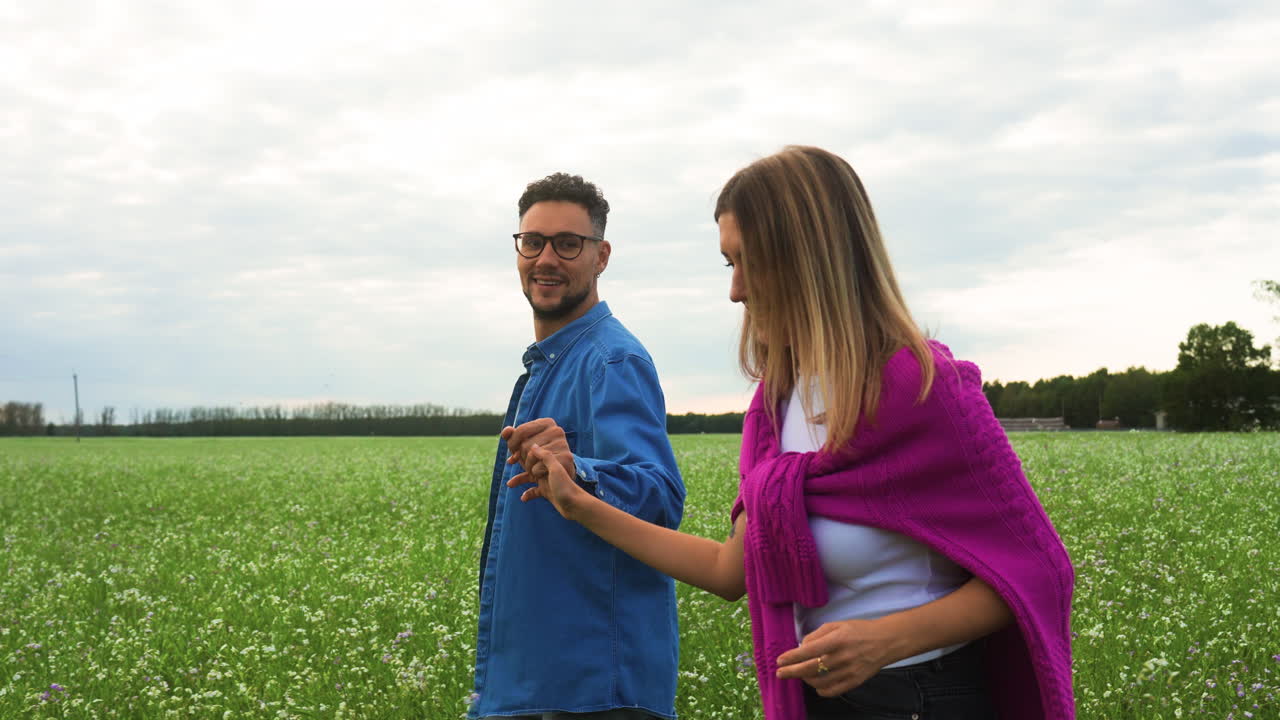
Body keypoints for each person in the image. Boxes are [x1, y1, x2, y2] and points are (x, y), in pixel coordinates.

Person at [509, 147, 1076, 719]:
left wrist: (890, 638)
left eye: (748, 261)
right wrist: (578, 502)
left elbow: (1038, 571)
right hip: (821, 701)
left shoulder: (926, 389)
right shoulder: (775, 408)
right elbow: (730, 571)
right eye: (729, 264)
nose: (736, 291)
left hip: (924, 697)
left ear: (810, 258)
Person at [469, 172, 686, 720]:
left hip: (595, 689)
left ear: (601, 255)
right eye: (532, 241)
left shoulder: (610, 361)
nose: (546, 258)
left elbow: (662, 498)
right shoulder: (552, 363)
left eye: (568, 244)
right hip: (537, 683)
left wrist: (579, 470)